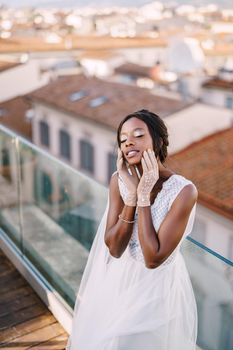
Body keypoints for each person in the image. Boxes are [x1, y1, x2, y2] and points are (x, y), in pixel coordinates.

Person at [66, 109, 198, 350]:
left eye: (138, 135)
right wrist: (132, 198)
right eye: (123, 138)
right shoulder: (119, 181)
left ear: (158, 141)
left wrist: (145, 196)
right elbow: (115, 248)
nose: (128, 142)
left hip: (157, 290)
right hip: (119, 280)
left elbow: (153, 258)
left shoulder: (184, 191)